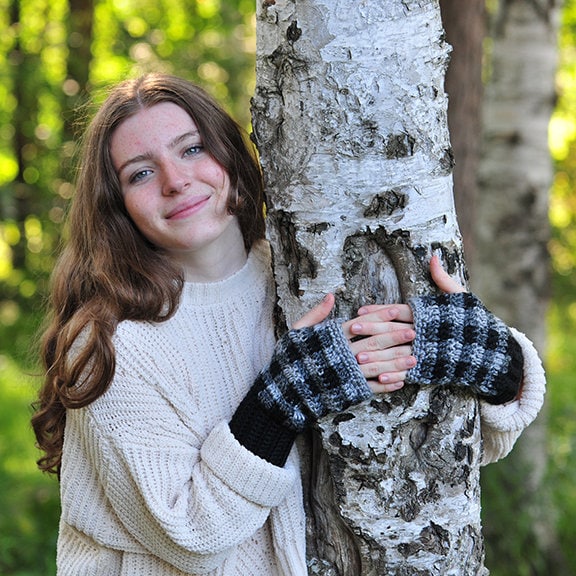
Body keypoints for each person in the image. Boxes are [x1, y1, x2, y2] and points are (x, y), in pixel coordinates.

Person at [32, 73, 546, 576]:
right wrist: (277, 406)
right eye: (140, 173)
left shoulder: (307, 276)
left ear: (229, 156)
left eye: (191, 149)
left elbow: (447, 454)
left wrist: (492, 361)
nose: (175, 180)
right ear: (116, 206)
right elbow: (191, 539)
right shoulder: (110, 344)